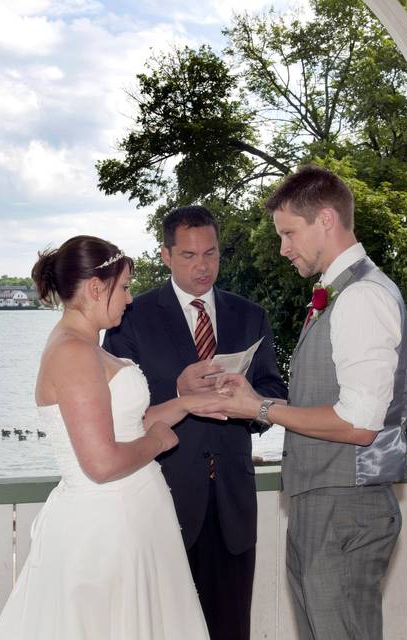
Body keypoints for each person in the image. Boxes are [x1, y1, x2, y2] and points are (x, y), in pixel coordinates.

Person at [211, 166, 407, 640]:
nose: (283, 247)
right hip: (325, 505)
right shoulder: (339, 293)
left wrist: (258, 408)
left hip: (346, 507)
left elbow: (360, 425)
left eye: (288, 233)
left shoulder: (362, 297)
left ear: (325, 219)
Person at [0, 235, 217, 640]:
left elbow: (128, 423)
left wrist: (185, 405)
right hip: (107, 528)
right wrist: (160, 443)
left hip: (133, 519)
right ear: (96, 288)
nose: (129, 299)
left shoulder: (84, 346)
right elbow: (101, 463)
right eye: (125, 287)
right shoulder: (73, 353)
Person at [103, 206, 286, 640]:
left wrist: (249, 403)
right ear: (165, 255)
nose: (202, 266)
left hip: (233, 504)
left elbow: (276, 394)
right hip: (161, 499)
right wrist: (177, 389)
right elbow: (120, 410)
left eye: (211, 253)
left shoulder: (250, 315)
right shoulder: (131, 316)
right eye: (188, 255)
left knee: (230, 629)